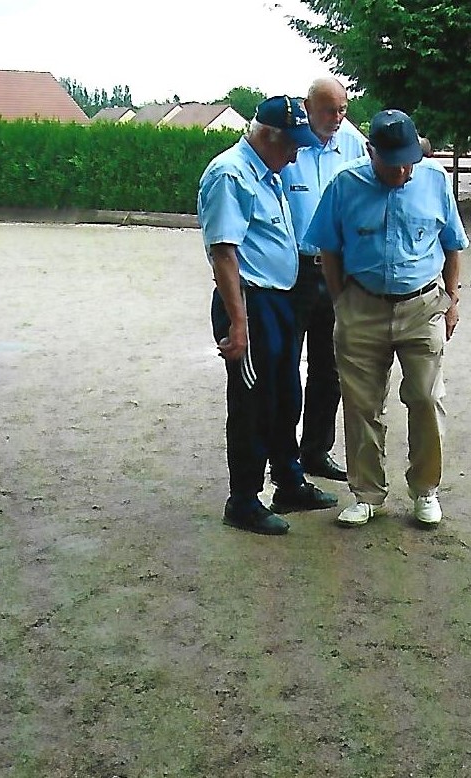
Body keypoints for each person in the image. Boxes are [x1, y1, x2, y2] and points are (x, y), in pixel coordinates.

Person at [304, 109, 467, 527]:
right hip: (362, 306)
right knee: (361, 405)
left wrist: (452, 298)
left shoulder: (434, 180)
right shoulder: (345, 184)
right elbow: (329, 249)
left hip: (422, 306)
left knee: (427, 399)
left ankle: (426, 489)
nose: (403, 170)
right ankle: (367, 493)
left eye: (409, 160)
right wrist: (342, 303)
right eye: (393, 162)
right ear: (370, 151)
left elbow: (452, 244)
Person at [197, 95, 338, 535]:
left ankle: (289, 481)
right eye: (292, 144)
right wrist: (238, 326)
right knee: (253, 403)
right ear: (268, 136)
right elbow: (224, 253)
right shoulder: (230, 174)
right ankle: (242, 499)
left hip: (278, 301)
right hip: (250, 303)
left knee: (284, 395)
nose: (297, 153)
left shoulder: (269, 171)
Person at [280, 77, 367, 483]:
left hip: (335, 268)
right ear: (307, 106)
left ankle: (316, 450)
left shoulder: (351, 142)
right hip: (293, 271)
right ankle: (283, 458)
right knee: (284, 367)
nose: (337, 118)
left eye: (343, 109)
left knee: (328, 366)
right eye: (330, 110)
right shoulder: (288, 145)